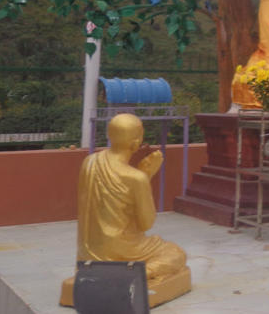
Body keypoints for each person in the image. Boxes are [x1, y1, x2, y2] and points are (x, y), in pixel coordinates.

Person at [60, 113, 190, 307]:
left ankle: (106, 271)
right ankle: (138, 272)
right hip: (125, 249)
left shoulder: (90, 162)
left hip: (90, 254)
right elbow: (146, 223)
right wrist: (146, 178)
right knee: (176, 253)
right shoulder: (135, 178)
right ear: (136, 141)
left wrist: (142, 177)